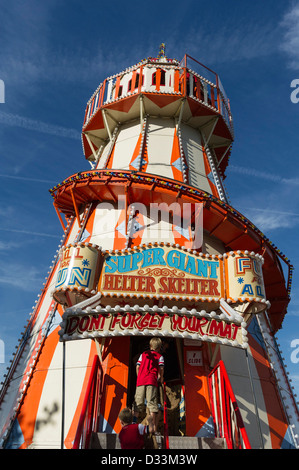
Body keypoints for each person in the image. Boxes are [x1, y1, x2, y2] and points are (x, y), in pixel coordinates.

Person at [133, 337, 164, 433]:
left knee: (137, 403)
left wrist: (139, 377)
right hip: (152, 381)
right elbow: (161, 368)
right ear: (159, 347)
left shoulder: (143, 354)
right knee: (152, 404)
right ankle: (153, 427)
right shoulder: (160, 356)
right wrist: (161, 378)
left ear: (150, 346)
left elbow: (137, 366)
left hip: (141, 381)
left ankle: (133, 425)